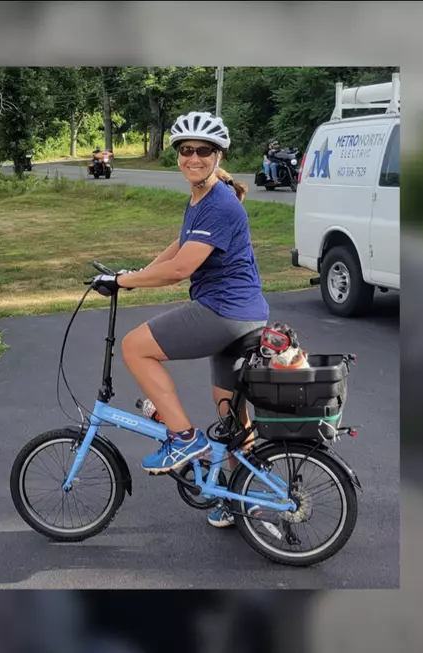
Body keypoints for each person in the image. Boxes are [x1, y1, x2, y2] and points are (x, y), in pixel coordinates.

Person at [90, 111, 269, 528]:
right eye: (186, 150)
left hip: (224, 311)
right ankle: (240, 494)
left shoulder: (220, 203)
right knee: (230, 413)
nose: (193, 157)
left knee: (135, 347)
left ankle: (183, 439)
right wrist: (131, 277)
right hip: (246, 315)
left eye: (203, 151)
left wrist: (123, 280)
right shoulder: (203, 198)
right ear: (178, 156)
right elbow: (178, 247)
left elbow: (180, 269)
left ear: (218, 154)